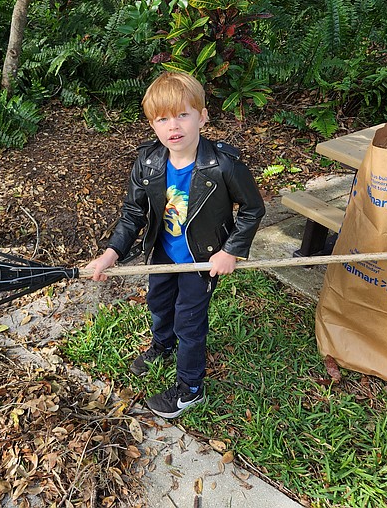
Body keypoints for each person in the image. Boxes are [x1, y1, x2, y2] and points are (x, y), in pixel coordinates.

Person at [85, 71, 266, 419]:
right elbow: (132, 214)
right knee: (159, 303)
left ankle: (190, 388)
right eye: (163, 118)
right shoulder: (149, 163)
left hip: (201, 261)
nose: (174, 126)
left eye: (183, 114)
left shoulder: (222, 165)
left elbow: (253, 208)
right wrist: (111, 253)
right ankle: (162, 345)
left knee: (190, 321)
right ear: (152, 125)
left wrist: (230, 250)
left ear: (202, 116)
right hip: (164, 255)